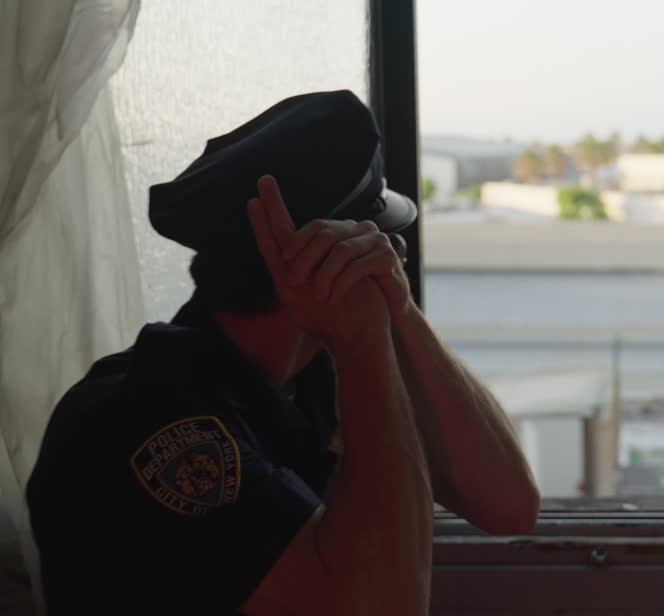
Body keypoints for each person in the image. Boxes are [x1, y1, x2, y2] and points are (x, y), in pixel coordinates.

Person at [25, 90, 539, 615]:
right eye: (380, 251)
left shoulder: (304, 381)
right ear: (324, 268)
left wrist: (401, 312)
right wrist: (364, 340)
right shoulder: (142, 421)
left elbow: (509, 507)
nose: (390, 266)